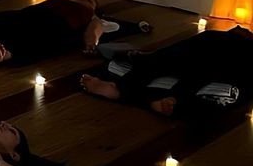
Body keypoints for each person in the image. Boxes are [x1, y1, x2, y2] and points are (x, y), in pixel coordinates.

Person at [81, 25, 252, 117]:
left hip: (233, 56)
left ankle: (170, 98)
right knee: (167, 57)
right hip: (213, 43)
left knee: (203, 68)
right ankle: (120, 88)